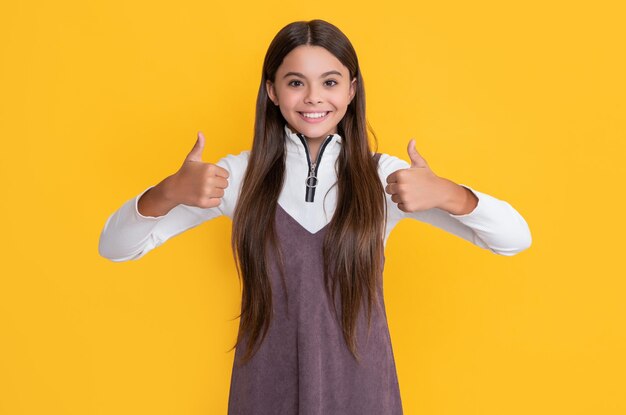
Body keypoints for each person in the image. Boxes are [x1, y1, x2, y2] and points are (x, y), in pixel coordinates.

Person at [98, 19, 532, 415]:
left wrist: (450, 194)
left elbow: (515, 238)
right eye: (295, 82)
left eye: (329, 81)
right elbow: (115, 248)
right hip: (265, 392)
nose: (313, 98)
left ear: (351, 90)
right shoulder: (238, 176)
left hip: (362, 394)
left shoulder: (383, 178)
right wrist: (167, 192)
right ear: (272, 91)